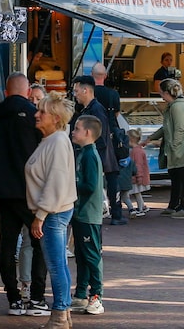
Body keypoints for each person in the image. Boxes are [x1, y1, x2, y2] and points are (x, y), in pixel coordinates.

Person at [0, 73, 50, 317]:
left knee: (7, 245)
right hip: (31, 192)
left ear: (6, 92)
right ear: (28, 91)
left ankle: (13, 298)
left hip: (3, 191)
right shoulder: (36, 117)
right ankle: (37, 298)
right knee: (40, 243)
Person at [26, 94, 78, 329]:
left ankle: (59, 314)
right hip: (56, 211)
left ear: (55, 118)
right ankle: (63, 313)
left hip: (53, 213)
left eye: (41, 112)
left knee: (56, 265)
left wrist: (40, 215)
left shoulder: (56, 141)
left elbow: (54, 182)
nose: (37, 115)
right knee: (59, 265)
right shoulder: (54, 139)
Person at [143, 78, 184, 218]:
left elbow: (179, 129)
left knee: (183, 177)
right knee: (177, 177)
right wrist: (150, 138)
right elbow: (168, 127)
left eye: (161, 93)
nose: (161, 97)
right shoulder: (176, 105)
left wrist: (174, 146)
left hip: (182, 147)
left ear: (166, 92)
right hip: (180, 146)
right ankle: (175, 205)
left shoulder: (177, 107)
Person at [70, 76, 122, 225]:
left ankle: (113, 212)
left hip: (101, 154)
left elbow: (101, 137)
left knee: (102, 184)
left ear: (85, 90)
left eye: (76, 91)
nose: (75, 94)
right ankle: (114, 213)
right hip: (102, 155)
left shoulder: (95, 110)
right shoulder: (89, 109)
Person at [69, 115, 105, 316]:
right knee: (82, 256)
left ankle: (96, 295)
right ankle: (81, 293)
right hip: (82, 213)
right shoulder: (85, 153)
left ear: (88, 133)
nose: (73, 132)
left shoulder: (90, 155)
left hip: (88, 213)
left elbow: (90, 185)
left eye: (77, 129)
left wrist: (71, 185)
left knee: (91, 256)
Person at [126, 129, 150, 217]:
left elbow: (138, 165)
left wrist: (138, 177)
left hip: (137, 177)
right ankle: (142, 206)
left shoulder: (135, 151)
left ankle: (140, 208)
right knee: (137, 193)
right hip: (139, 176)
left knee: (136, 192)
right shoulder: (138, 150)